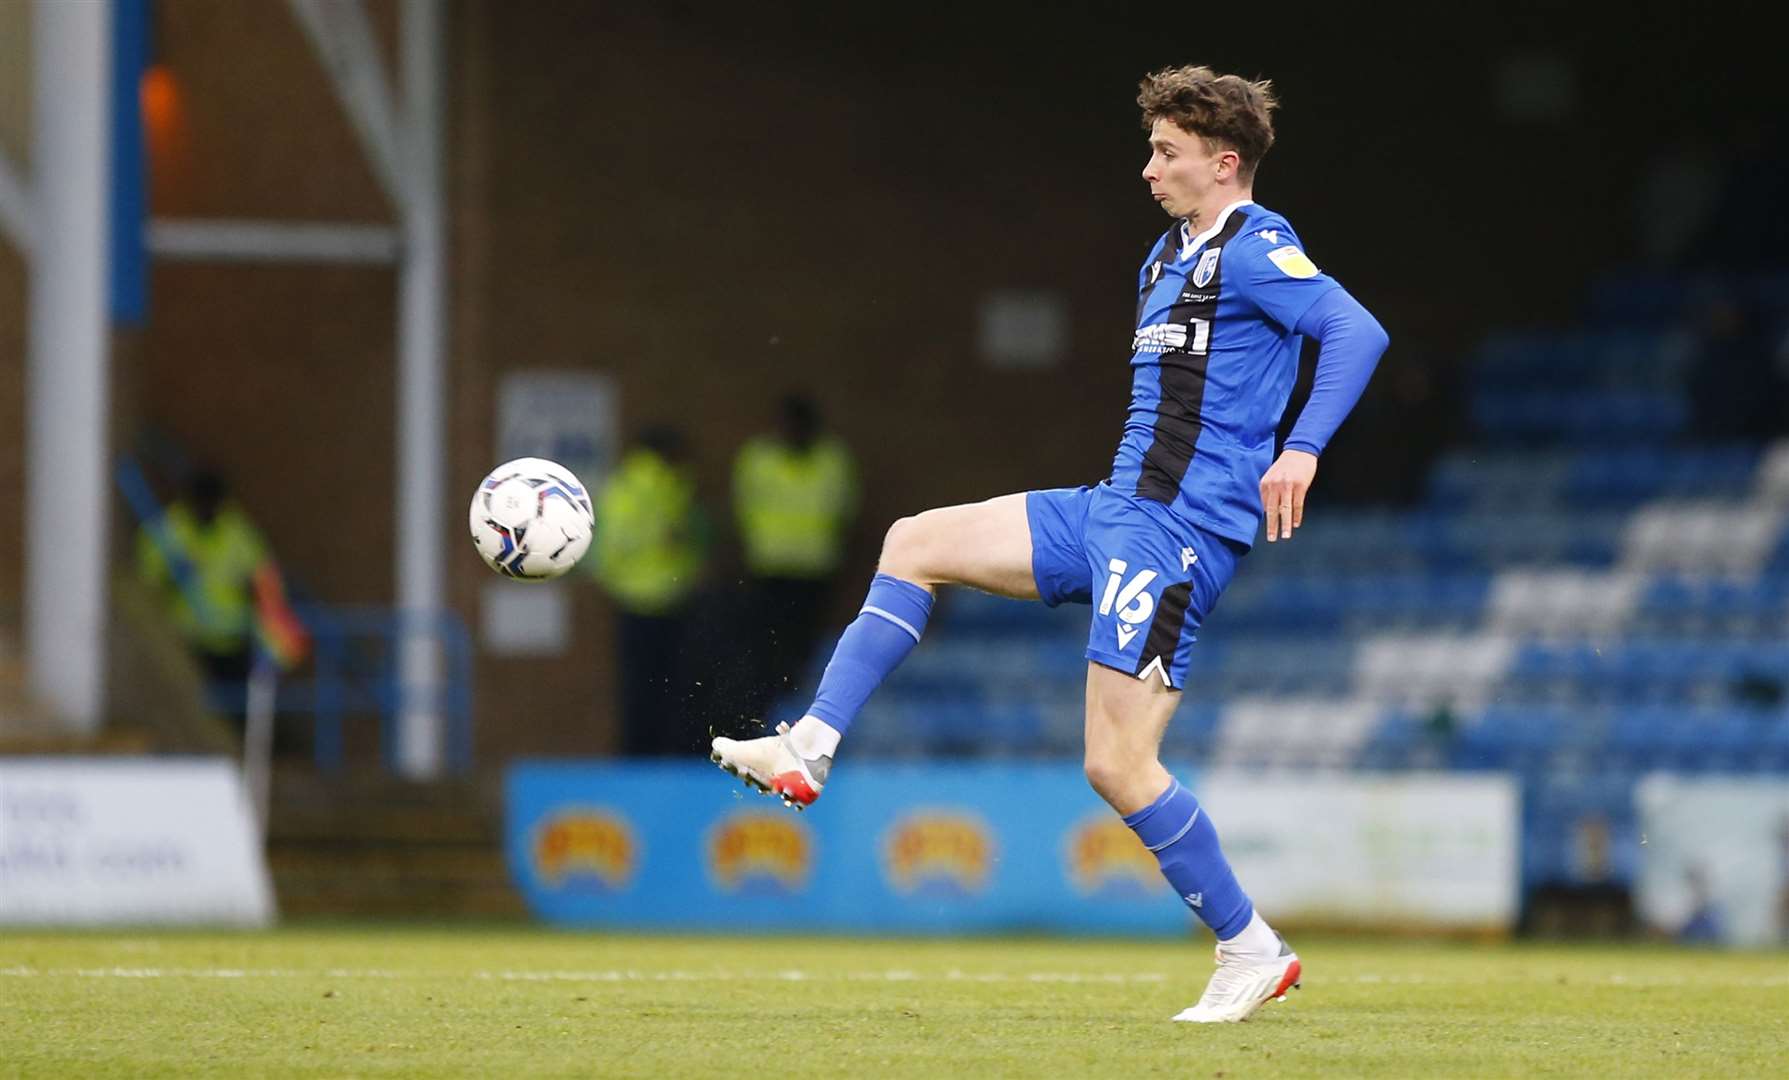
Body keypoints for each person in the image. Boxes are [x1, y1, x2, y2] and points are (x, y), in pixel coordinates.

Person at [712, 64, 1387, 1022]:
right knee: (912, 541)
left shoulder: (1253, 243)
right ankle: (809, 747)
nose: (1147, 168)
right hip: (1110, 511)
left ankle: (1249, 947)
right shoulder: (1162, 258)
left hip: (1176, 534)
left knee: (1115, 765)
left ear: (1224, 162)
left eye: (1166, 151)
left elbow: (1354, 332)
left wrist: (1301, 451)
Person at [136, 468, 308, 732]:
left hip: (232, 634)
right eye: (202, 504)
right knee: (194, 705)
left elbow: (263, 576)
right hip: (186, 636)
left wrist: (270, 617)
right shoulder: (168, 530)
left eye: (214, 505)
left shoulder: (235, 530)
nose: (208, 511)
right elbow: (147, 580)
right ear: (189, 501)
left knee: (239, 702)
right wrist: (173, 579)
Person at [731, 393, 858, 722]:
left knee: (807, 651)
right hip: (769, 569)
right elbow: (743, 508)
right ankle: (762, 720)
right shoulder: (759, 458)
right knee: (766, 651)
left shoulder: (833, 460)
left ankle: (802, 717)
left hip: (815, 570)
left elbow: (846, 512)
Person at [588, 425, 709, 756]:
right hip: (675, 600)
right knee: (676, 690)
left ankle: (638, 759)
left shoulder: (621, 486)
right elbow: (686, 538)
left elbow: (606, 553)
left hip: (633, 603)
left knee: (638, 692)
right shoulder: (675, 486)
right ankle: (669, 758)